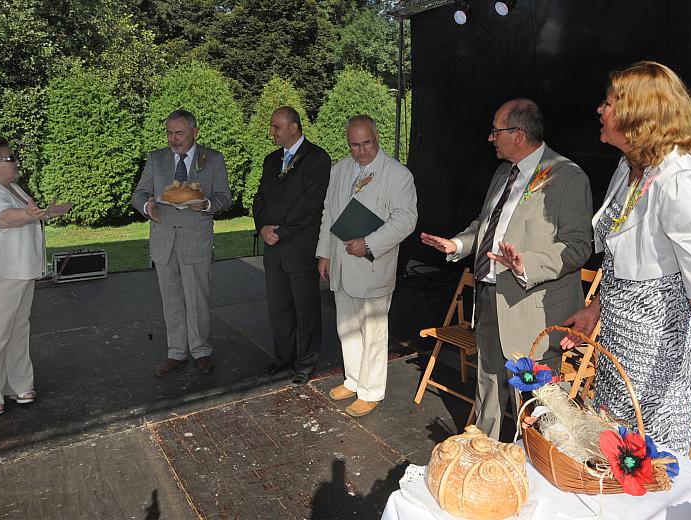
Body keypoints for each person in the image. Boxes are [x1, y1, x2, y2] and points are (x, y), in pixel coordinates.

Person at [560, 61, 691, 481]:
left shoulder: (680, 181)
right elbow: (626, 260)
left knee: (649, 473)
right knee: (611, 458)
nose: (599, 110)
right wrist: (598, 310)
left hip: (658, 360)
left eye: (608, 103)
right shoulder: (630, 167)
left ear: (637, 115)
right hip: (618, 350)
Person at [421, 99, 592, 441]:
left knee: (537, 405)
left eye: (496, 131)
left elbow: (578, 247)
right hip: (489, 300)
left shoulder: (567, 176)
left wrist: (526, 264)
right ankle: (486, 456)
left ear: (518, 134)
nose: (490, 138)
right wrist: (457, 245)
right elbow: (486, 226)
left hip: (533, 311)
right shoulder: (503, 173)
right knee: (488, 385)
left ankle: (540, 470)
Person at [0, 135, 72, 416]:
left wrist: (45, 213)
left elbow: (24, 214)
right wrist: (28, 214)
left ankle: (18, 385)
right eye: (9, 159)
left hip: (16, 273)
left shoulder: (10, 187)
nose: (15, 162)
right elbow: (5, 217)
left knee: (16, 332)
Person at [316, 115, 417, 417]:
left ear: (378, 138)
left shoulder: (398, 174)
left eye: (367, 143)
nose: (361, 151)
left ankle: (371, 391)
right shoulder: (339, 170)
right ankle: (354, 380)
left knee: (372, 331)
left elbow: (405, 220)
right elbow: (329, 212)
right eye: (354, 146)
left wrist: (369, 243)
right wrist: (324, 253)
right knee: (347, 327)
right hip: (341, 264)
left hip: (373, 265)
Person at [132, 109, 232, 376]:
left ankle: (201, 350)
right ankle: (176, 352)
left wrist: (207, 204)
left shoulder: (213, 159)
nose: (173, 139)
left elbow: (225, 197)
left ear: (194, 133)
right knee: (171, 299)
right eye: (169, 133)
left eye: (179, 133)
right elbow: (139, 192)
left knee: (198, 298)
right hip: (164, 240)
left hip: (195, 240)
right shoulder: (156, 159)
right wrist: (146, 205)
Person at [253, 107, 331, 386]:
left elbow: (312, 204)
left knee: (305, 308)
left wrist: (281, 232)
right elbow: (259, 197)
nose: (271, 132)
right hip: (274, 250)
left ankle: (306, 363)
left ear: (294, 127)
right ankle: (283, 358)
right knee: (279, 309)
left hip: (299, 248)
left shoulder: (317, 159)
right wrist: (262, 227)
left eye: (276, 127)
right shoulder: (271, 160)